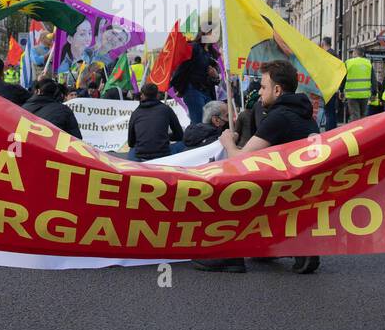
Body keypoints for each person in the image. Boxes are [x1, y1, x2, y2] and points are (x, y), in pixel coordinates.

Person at [197, 59, 320, 275]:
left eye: (263, 87)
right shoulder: (306, 115)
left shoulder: (279, 117)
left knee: (226, 178)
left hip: (276, 190)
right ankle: (290, 243)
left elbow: (241, 159)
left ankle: (229, 254)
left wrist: (228, 141)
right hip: (300, 192)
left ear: (278, 89)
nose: (260, 92)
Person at [171, 21, 220, 124]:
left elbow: (216, 77)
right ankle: (194, 139)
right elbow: (181, 68)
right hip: (193, 90)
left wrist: (215, 75)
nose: (216, 35)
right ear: (205, 33)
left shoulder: (213, 53)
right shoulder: (193, 47)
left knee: (209, 122)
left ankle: (194, 138)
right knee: (199, 122)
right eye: (214, 32)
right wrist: (179, 88)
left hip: (208, 91)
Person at [126, 82, 183, 161]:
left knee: (132, 151)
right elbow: (179, 135)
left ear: (142, 96)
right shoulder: (166, 109)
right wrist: (166, 137)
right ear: (157, 95)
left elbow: (131, 142)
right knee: (183, 144)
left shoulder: (136, 113)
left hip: (140, 156)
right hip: (163, 155)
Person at [341, 51, 374, 122]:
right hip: (365, 94)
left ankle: (356, 132)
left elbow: (343, 78)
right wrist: (374, 93)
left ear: (355, 53)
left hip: (352, 95)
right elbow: (373, 79)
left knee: (355, 116)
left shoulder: (348, 63)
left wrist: (341, 91)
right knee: (363, 116)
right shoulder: (368, 63)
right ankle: (363, 131)